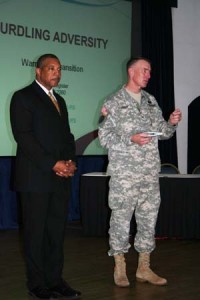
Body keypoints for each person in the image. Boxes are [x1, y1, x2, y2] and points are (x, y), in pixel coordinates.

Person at [98, 57, 182, 288]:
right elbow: (104, 137)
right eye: (144, 70)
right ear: (131, 71)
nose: (148, 75)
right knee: (121, 220)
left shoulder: (150, 101)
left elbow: (162, 133)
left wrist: (171, 123)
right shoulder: (113, 101)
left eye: (150, 71)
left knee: (148, 220)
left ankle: (144, 267)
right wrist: (130, 138)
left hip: (149, 174)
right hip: (124, 174)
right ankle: (120, 266)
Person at [10, 54, 81, 299]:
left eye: (59, 69)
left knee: (55, 233)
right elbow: (24, 137)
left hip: (60, 178)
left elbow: (67, 137)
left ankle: (55, 280)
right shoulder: (23, 97)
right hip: (35, 178)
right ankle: (37, 284)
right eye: (51, 68)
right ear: (38, 71)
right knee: (35, 233)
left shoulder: (59, 99)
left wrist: (70, 162)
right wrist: (53, 163)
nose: (57, 72)